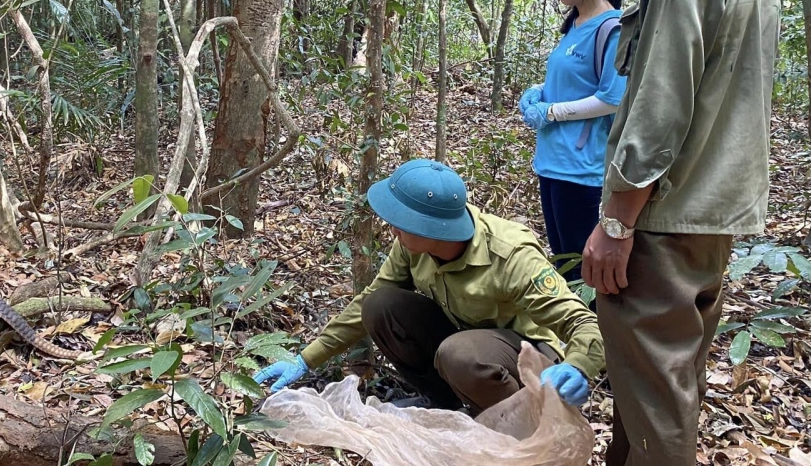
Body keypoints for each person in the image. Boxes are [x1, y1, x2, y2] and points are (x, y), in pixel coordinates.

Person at [574, 0, 781, 466]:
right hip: (713, 214)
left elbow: (660, 108)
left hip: (661, 221)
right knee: (661, 386)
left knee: (658, 407)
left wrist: (616, 222)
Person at [251, 159, 604, 416]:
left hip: (521, 354)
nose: (392, 228)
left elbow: (585, 324)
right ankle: (446, 405)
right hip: (463, 341)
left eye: (401, 222)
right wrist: (305, 358)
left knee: (460, 353)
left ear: (431, 227)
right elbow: (368, 303)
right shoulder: (411, 244)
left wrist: (577, 367)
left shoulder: (510, 255)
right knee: (381, 306)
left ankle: (517, 421)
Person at [519, 0, 629, 286]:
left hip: (580, 169)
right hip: (552, 161)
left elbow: (611, 98)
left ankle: (592, 324)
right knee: (564, 265)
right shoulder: (575, 24)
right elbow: (571, 80)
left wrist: (551, 112)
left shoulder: (613, 28)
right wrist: (538, 92)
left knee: (584, 274)